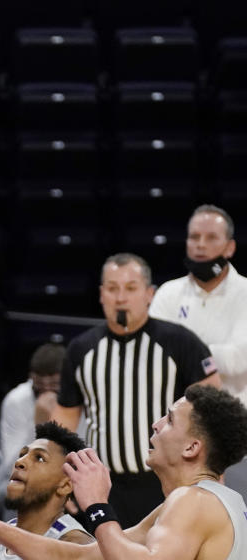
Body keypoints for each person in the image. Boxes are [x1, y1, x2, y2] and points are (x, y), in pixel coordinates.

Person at [0, 384, 247, 560]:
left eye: (170, 420)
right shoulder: (203, 501)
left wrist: (97, 506)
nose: (156, 424)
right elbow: (78, 558)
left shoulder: (193, 500)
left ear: (192, 448)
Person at [50, 252, 222, 527]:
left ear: (149, 294)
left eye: (131, 288)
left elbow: (213, 412)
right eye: (113, 288)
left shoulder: (180, 342)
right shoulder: (81, 349)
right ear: (101, 294)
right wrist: (57, 479)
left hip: (166, 484)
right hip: (103, 488)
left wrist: (210, 474)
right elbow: (63, 422)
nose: (121, 298)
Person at [149, 204, 247, 499]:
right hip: (176, 433)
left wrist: (185, 350)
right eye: (194, 237)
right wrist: (209, 353)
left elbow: (238, 359)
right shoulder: (168, 293)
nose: (200, 245)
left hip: (235, 433)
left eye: (210, 237)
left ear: (229, 247)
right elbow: (156, 359)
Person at [0, 421, 95, 559]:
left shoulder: (78, 546)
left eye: (40, 458)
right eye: (22, 454)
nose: (20, 462)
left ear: (65, 485)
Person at [0, 342, 67, 518]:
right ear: (31, 378)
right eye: (40, 384)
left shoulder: (81, 397)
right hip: (10, 479)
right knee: (22, 489)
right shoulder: (16, 400)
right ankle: (15, 545)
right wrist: (41, 428)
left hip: (68, 477)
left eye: (54, 384)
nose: (47, 391)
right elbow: (14, 464)